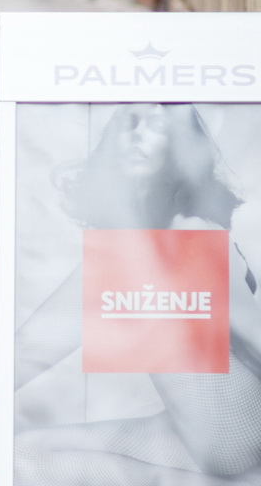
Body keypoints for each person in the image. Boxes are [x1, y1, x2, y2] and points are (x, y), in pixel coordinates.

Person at [15, 104, 261, 485]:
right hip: (190, 432)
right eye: (128, 124)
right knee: (23, 452)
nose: (138, 134)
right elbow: (32, 348)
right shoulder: (133, 242)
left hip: (239, 433)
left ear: (181, 146)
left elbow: (255, 333)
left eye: (157, 124)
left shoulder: (192, 229)